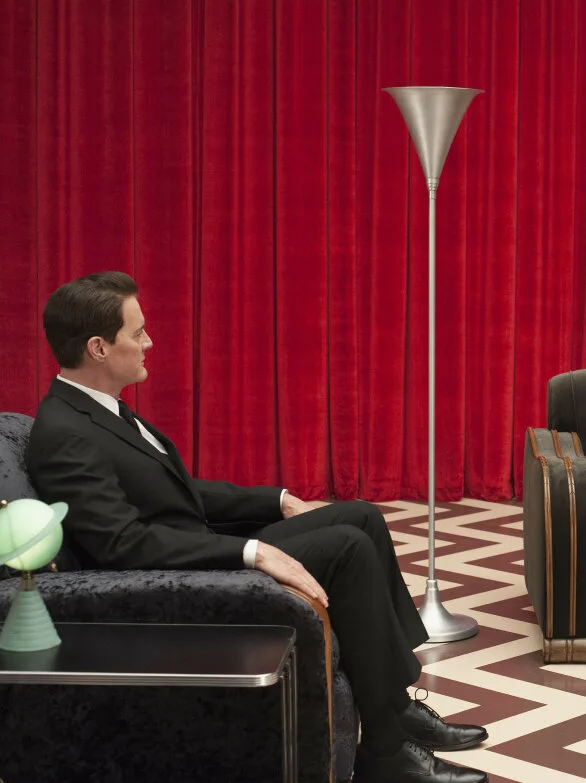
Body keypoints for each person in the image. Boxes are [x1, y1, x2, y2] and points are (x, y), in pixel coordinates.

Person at [25, 272, 490, 783]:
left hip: (197, 550)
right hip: (183, 579)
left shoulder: (99, 409)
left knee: (361, 514)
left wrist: (277, 499)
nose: (149, 342)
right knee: (346, 546)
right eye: (137, 333)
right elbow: (122, 543)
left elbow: (176, 491)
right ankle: (385, 749)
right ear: (98, 347)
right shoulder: (65, 432)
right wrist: (251, 550)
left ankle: (395, 705)